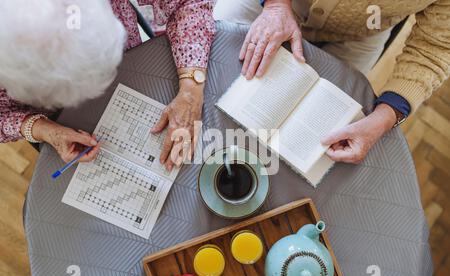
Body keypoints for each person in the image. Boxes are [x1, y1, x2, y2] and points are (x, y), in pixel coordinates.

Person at [214, 0, 450, 164]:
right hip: (273, 5)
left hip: (362, 31)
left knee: (314, 142)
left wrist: (385, 117)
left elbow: (435, 48)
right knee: (214, 62)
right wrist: (276, 6)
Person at [0, 0, 215, 170]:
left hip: (133, 68)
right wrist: (43, 129)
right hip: (61, 120)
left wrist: (191, 88)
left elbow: (189, 3)